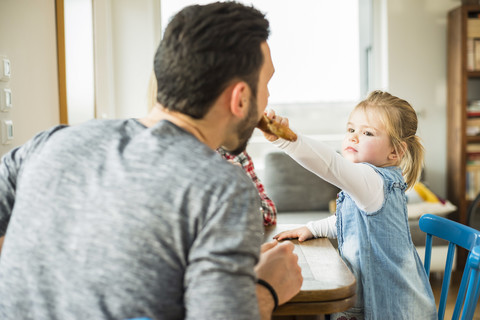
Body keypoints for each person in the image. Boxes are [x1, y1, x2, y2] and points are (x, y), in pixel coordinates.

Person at [0, 2, 302, 319]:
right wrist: (267, 289)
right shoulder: (221, 186)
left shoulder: (48, 142)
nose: (267, 97)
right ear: (240, 97)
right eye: (266, 83)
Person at [270, 91, 437, 319]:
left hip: (394, 310)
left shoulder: (373, 181)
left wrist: (285, 139)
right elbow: (349, 221)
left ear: (395, 151)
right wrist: (313, 228)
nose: (354, 137)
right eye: (351, 130)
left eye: (367, 132)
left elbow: (330, 164)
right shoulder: (371, 184)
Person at [147, 73, 277, 226]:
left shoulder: (230, 151)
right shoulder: (154, 157)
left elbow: (269, 214)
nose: (267, 95)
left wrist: (242, 188)